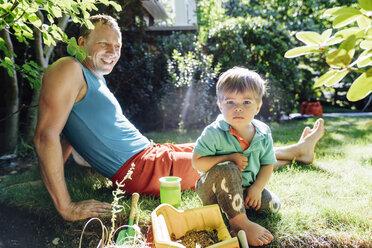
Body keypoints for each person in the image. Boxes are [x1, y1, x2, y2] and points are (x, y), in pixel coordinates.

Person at [34, 14, 324, 222]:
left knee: (217, 145)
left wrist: (45, 178)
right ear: (82, 41)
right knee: (226, 156)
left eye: (117, 46)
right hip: (143, 169)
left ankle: (297, 152)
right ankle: (299, 152)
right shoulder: (67, 68)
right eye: (104, 44)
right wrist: (66, 205)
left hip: (152, 154)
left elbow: (67, 132)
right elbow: (46, 134)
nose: (113, 52)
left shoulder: (93, 78)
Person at [193, 67, 279, 246]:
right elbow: (197, 162)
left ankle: (239, 205)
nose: (238, 108)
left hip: (245, 188)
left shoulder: (263, 132)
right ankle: (240, 224)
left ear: (258, 106)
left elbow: (267, 164)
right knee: (228, 168)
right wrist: (228, 157)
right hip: (213, 190)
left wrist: (256, 188)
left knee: (274, 206)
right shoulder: (214, 132)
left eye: (246, 102)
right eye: (230, 102)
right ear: (220, 105)